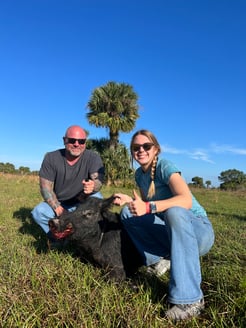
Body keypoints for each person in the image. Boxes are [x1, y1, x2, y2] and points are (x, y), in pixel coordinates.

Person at [113, 129, 214, 321]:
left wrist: (148, 206)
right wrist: (130, 201)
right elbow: (147, 209)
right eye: (136, 147)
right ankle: (159, 261)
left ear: (156, 149)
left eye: (146, 146)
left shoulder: (164, 166)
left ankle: (190, 299)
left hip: (199, 232)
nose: (141, 150)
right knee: (128, 213)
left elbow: (185, 201)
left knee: (174, 210)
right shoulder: (139, 174)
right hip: (172, 230)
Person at [31, 125, 104, 248]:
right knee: (39, 212)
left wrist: (93, 186)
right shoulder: (51, 157)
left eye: (81, 141)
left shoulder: (93, 157)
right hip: (61, 203)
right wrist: (57, 208)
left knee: (98, 198)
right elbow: (45, 188)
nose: (76, 144)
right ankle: (60, 239)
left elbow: (98, 181)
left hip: (82, 202)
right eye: (72, 140)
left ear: (85, 143)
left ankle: (91, 240)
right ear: (64, 140)